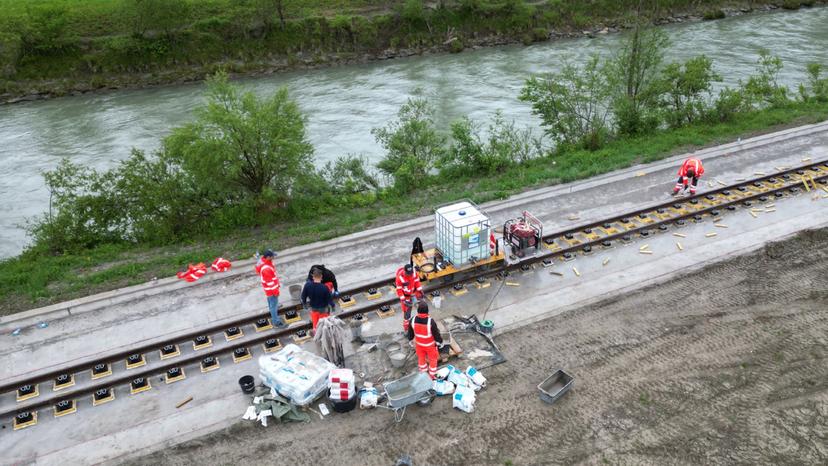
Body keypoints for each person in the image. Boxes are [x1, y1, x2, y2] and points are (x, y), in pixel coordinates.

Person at [406, 302, 444, 380]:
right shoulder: (431, 321)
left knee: (421, 358)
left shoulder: (412, 320)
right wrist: (440, 342)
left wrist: (410, 340)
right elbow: (436, 334)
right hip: (430, 346)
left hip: (419, 345)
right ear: (427, 311)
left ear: (418, 311)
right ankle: (432, 375)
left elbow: (410, 332)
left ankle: (423, 372)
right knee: (433, 359)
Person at [255, 249, 284, 328]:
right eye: (272, 256)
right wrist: (276, 292)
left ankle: (274, 306)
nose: (274, 257)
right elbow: (270, 283)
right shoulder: (266, 269)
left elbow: (257, 267)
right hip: (271, 290)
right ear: (268, 257)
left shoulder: (263, 261)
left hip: (268, 288)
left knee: (271, 302)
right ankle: (276, 322)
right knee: (273, 306)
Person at [395, 263, 423, 332]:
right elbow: (399, 290)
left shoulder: (413, 273)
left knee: (422, 306)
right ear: (404, 272)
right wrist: (403, 300)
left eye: (411, 273)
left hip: (414, 292)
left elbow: (417, 282)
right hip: (406, 296)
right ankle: (407, 328)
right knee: (407, 312)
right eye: (408, 274)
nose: (410, 275)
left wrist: (420, 290)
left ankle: (423, 323)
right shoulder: (400, 278)